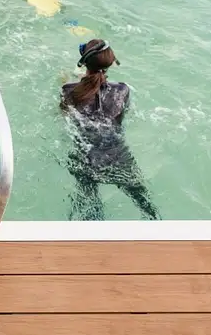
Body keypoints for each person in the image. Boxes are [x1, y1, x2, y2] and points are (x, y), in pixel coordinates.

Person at [60, 40, 159, 221]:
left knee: (91, 212)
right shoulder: (123, 90)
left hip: (86, 158)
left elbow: (65, 117)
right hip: (118, 156)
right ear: (111, 63)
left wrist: (66, 80)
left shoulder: (67, 91)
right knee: (147, 207)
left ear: (84, 63)